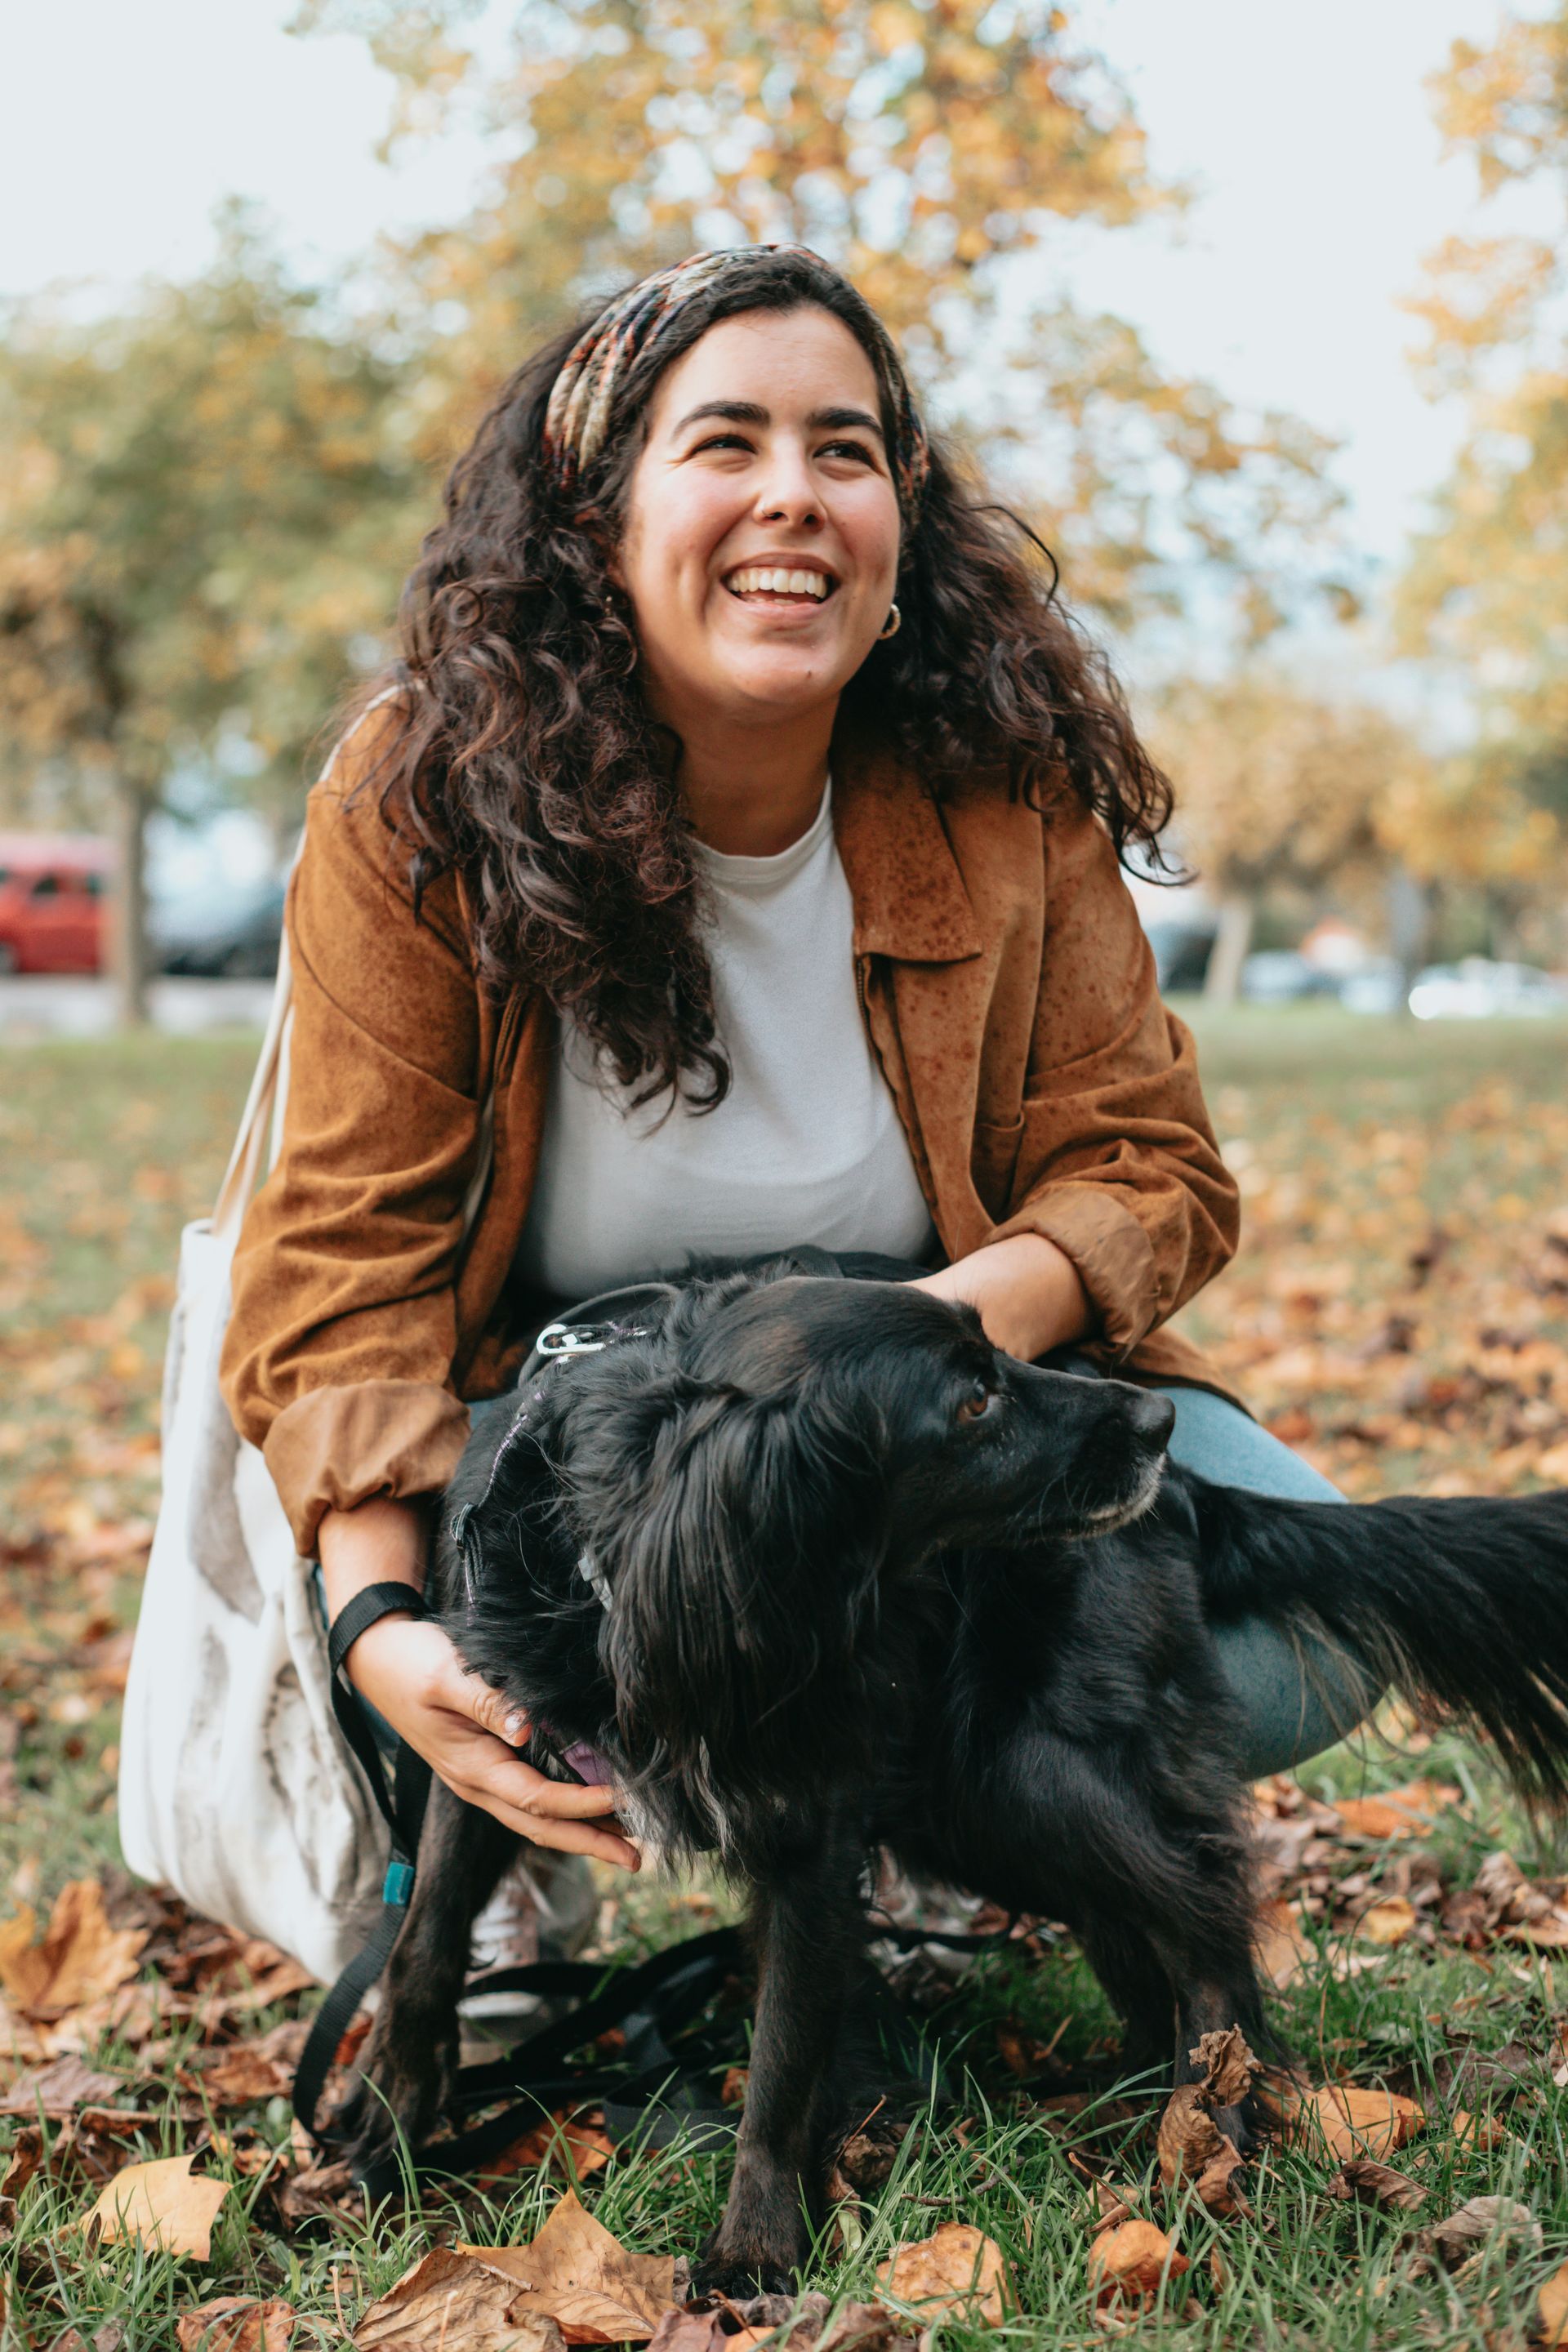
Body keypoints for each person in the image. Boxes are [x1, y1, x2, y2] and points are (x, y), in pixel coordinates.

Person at [220, 243, 1369, 1907]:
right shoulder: (426, 807)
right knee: (432, 1583)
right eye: (725, 444)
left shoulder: (1004, 790)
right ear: (593, 519)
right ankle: (548, 1866)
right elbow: (344, 1272)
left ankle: (888, 1823)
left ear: (904, 522)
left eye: (847, 450)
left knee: (1299, 1651)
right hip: (556, 1428)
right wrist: (383, 1627)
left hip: (925, 1409)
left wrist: (937, 1351)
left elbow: (1146, 1166)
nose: (796, 498)